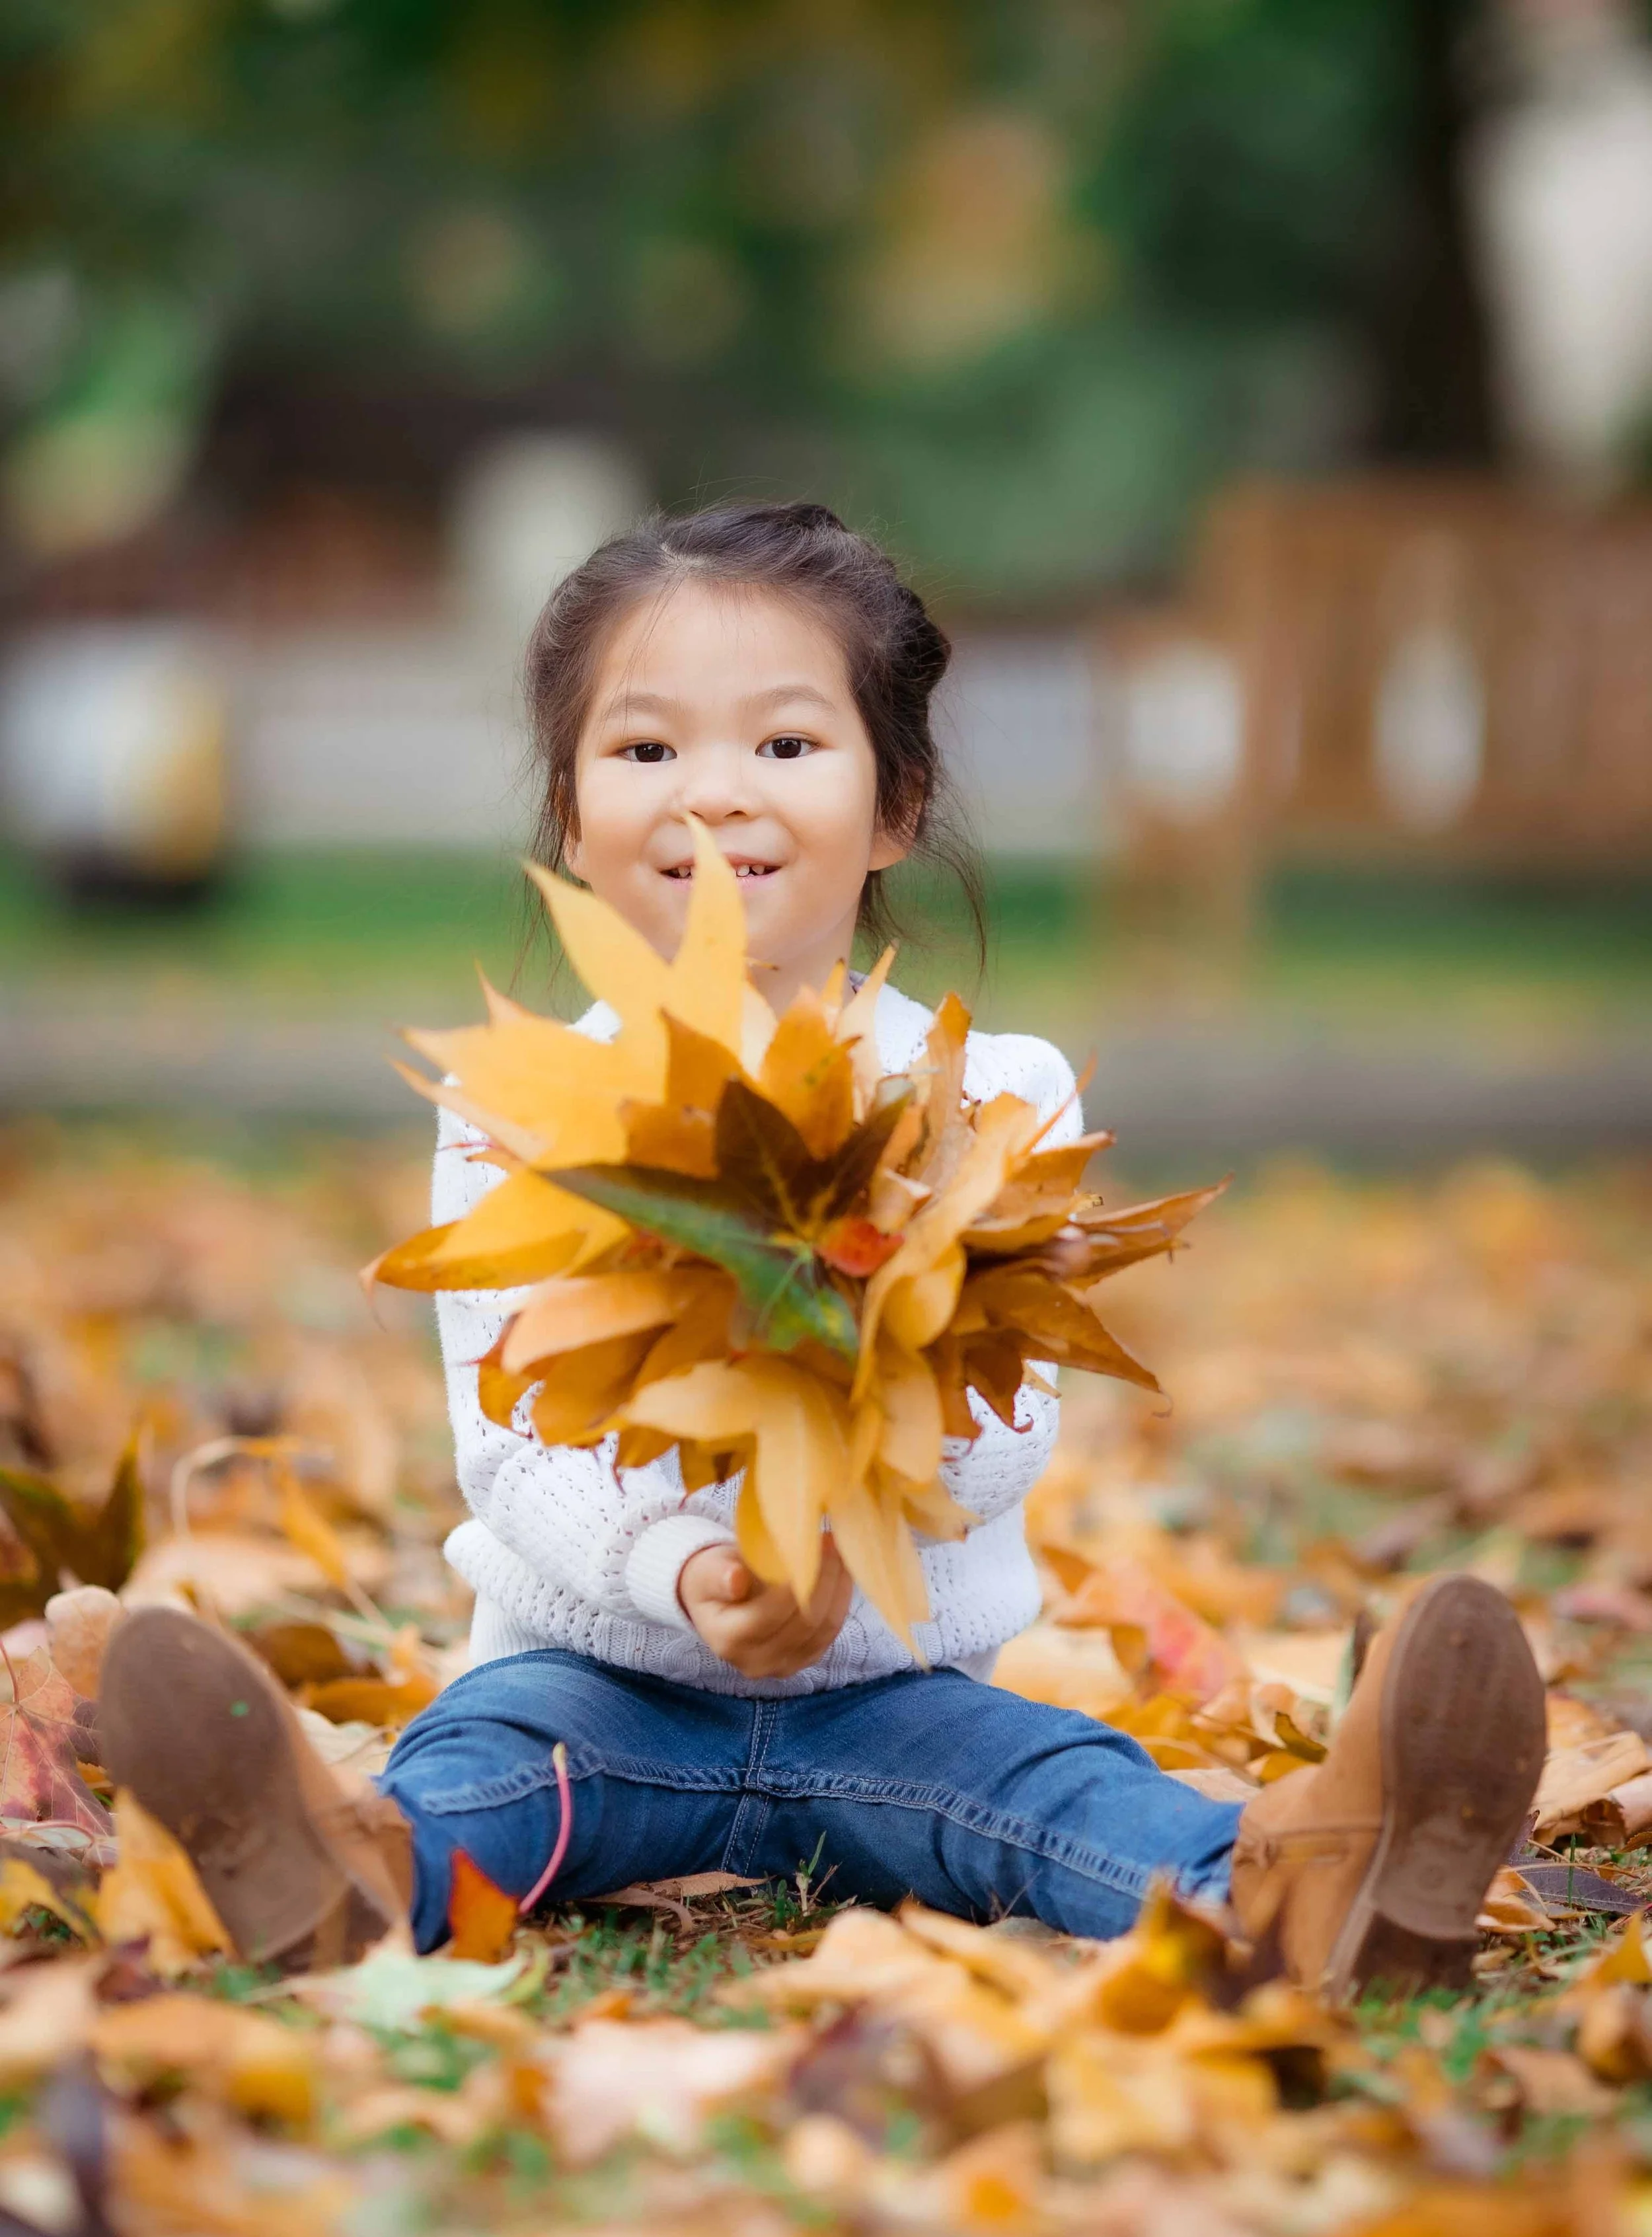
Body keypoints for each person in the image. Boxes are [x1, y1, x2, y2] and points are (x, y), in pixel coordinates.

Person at [97, 502, 1548, 1994]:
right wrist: (685, 1574)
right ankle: (327, 1868)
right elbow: (512, 1452)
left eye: (784, 748)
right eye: (645, 751)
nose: (711, 798)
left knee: (1057, 1787)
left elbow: (999, 1431)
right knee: (477, 1772)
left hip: (899, 1700)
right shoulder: (516, 1114)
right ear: (570, 811)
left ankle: (1305, 1892)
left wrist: (845, 1550)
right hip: (593, 1686)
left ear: (896, 804)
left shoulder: (993, 1094)